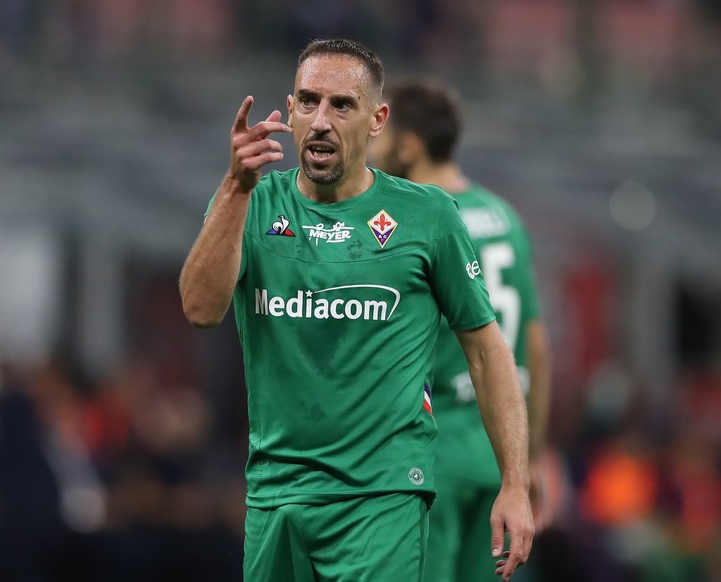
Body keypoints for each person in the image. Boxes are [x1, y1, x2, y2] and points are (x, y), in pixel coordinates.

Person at [179, 38, 534, 581]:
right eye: (308, 101)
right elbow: (201, 309)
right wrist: (234, 187)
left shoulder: (429, 216)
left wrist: (514, 481)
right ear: (291, 109)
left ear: (376, 120)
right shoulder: (250, 202)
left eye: (341, 105)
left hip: (382, 496)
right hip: (277, 494)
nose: (320, 120)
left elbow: (487, 352)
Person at [368, 78, 552, 582]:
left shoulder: (416, 218)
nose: (373, 147)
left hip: (433, 451)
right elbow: (533, 345)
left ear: (408, 144)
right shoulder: (505, 217)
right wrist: (530, 459)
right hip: (497, 453)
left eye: (382, 137)